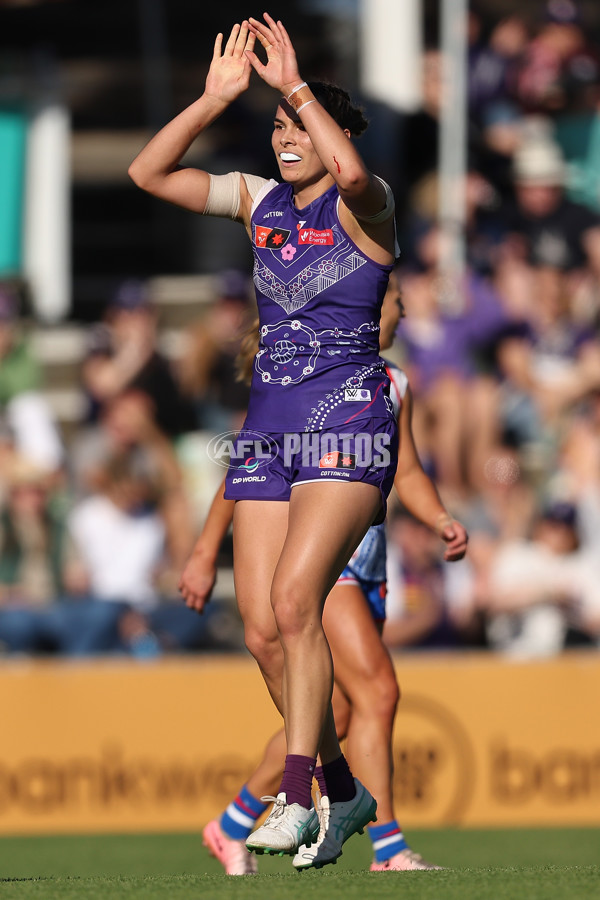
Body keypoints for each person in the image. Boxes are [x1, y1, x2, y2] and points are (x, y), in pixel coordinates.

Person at [129, 13, 401, 865]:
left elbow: (352, 168)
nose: (286, 137)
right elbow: (148, 171)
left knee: (295, 603)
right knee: (259, 631)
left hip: (346, 421)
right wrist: (212, 100)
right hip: (266, 431)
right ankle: (344, 793)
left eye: (299, 125)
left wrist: (293, 83)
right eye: (279, 126)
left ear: (331, 132)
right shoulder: (259, 202)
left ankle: (295, 795)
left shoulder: (369, 207)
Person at [179, 274, 468, 874]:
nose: (403, 312)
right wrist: (207, 551)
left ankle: (232, 823)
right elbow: (252, 468)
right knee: (377, 689)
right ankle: (384, 844)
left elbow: (406, 470)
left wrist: (440, 517)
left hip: (368, 561)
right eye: (396, 301)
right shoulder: (306, 374)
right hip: (323, 565)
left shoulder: (395, 384)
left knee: (330, 711)